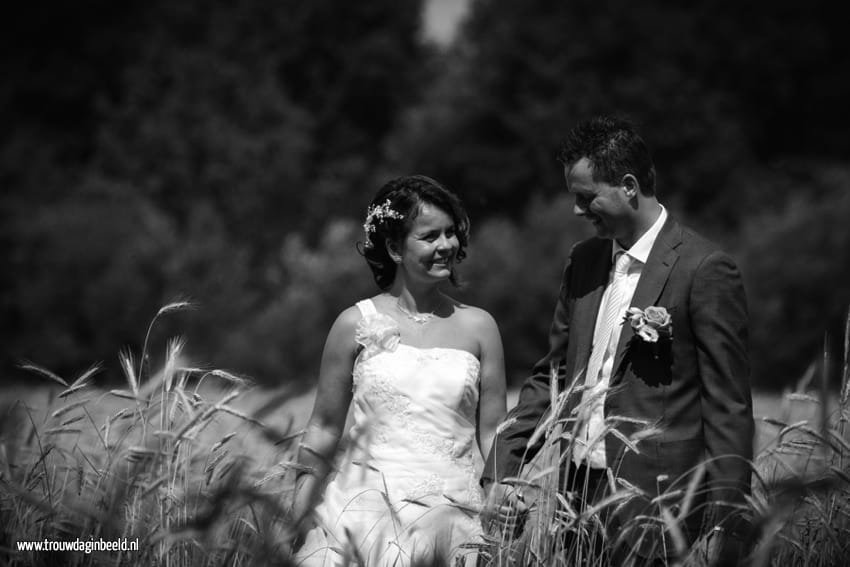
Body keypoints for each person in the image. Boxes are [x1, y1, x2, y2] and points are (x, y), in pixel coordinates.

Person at [482, 116, 754, 565]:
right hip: (577, 500)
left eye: (586, 197)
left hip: (660, 505)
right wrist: (500, 468)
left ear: (628, 186)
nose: (576, 210)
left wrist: (730, 522)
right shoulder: (584, 261)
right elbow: (555, 375)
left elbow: (728, 406)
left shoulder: (705, 269)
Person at [292, 175, 507, 566]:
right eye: (430, 236)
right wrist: (294, 514)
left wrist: (502, 492)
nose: (446, 245)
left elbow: (493, 430)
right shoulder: (352, 323)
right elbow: (323, 426)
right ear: (394, 247)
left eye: (450, 233)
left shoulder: (480, 327)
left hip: (450, 518)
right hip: (359, 517)